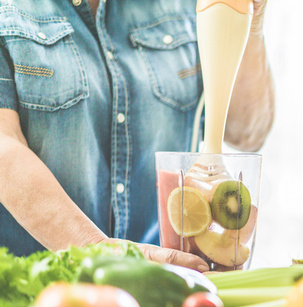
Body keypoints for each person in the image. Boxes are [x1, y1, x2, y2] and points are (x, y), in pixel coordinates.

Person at [0, 0, 274, 271]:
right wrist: (95, 248)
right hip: (38, 298)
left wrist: (251, 25)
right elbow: (4, 144)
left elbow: (247, 132)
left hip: (164, 288)